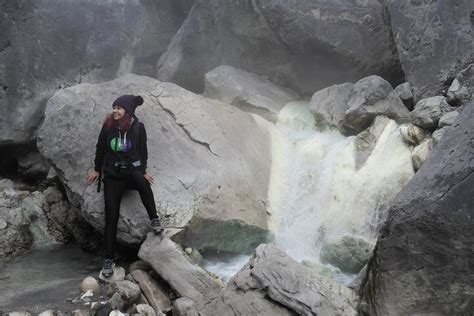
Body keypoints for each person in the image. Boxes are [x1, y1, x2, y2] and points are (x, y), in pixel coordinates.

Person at [86, 94, 163, 277]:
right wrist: (97, 169)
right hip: (113, 176)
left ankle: (154, 219)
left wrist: (143, 170)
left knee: (143, 183)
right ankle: (109, 259)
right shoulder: (108, 126)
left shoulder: (138, 127)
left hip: (131, 172)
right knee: (111, 217)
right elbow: (100, 148)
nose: (115, 111)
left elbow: (143, 151)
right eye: (114, 107)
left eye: (119, 108)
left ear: (127, 111)